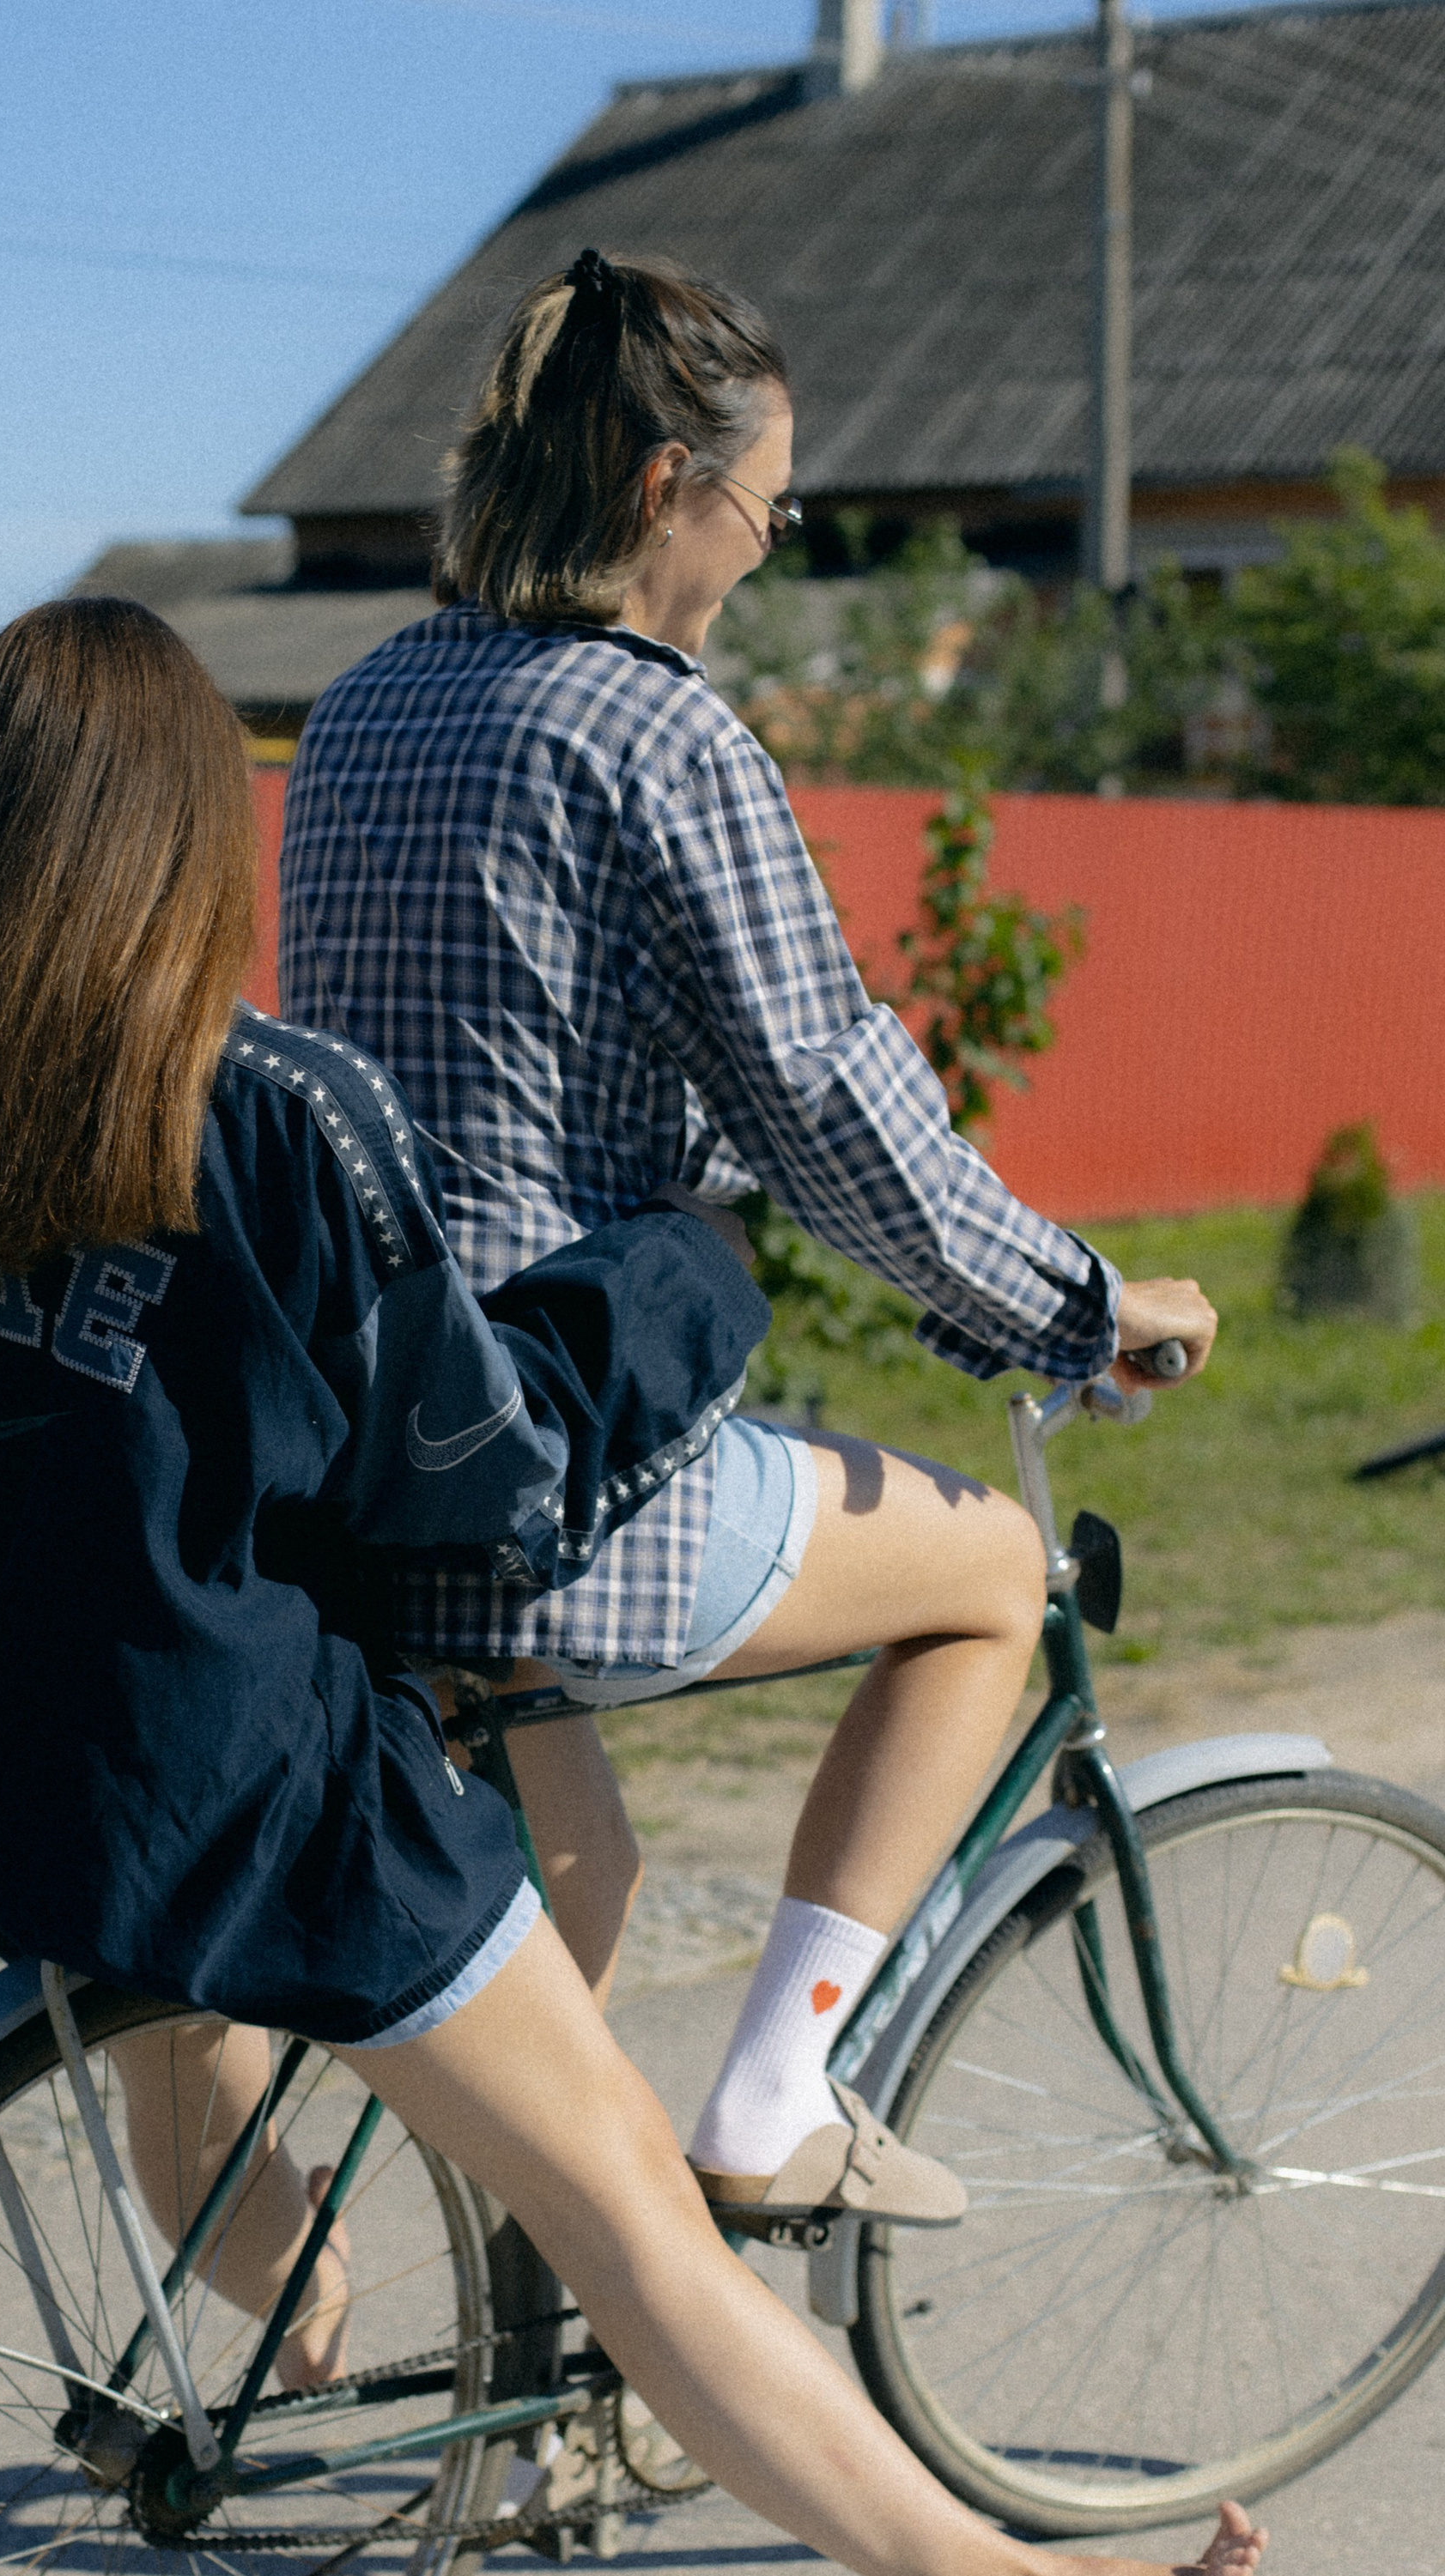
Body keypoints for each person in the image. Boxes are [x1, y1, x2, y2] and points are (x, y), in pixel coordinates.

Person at [0, 589, 1260, 2576]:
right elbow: (479, 1485)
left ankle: (298, 2352)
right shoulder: (281, 1108)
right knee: (638, 2219)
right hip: (246, 1792)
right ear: (201, 825)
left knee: (210, 2077)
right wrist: (670, 1283)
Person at [277, 246, 1222, 2231]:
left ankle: (536, 2358)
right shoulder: (653, 732)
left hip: (362, 1448)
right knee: (987, 1576)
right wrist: (1070, 1308)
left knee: (584, 1880)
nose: (762, 552)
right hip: (556, 1469)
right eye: (761, 509)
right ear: (659, 493)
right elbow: (831, 1102)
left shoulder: (361, 706)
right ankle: (775, 2109)